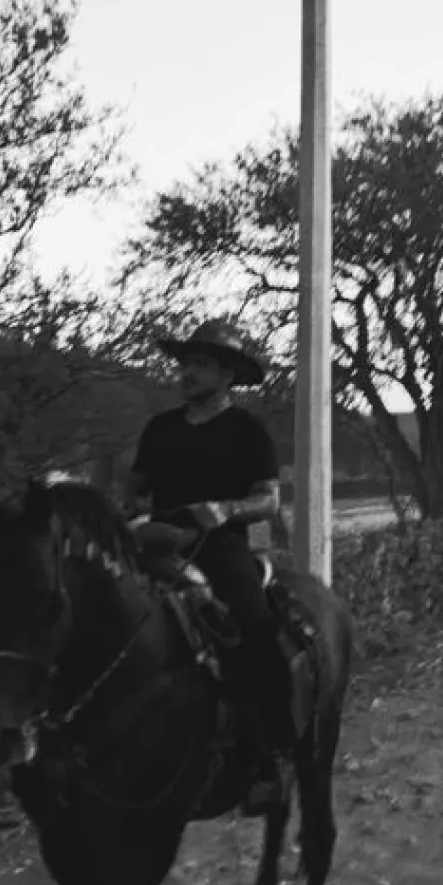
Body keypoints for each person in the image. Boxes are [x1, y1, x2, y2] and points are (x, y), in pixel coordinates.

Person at [124, 318, 292, 787]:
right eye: (186, 364)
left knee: (255, 624)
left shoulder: (247, 431)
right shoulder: (159, 429)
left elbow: (269, 499)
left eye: (199, 365)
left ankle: (270, 751)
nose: (187, 374)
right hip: (157, 538)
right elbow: (137, 488)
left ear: (226, 376)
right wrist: (134, 512)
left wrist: (225, 508)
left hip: (218, 546)